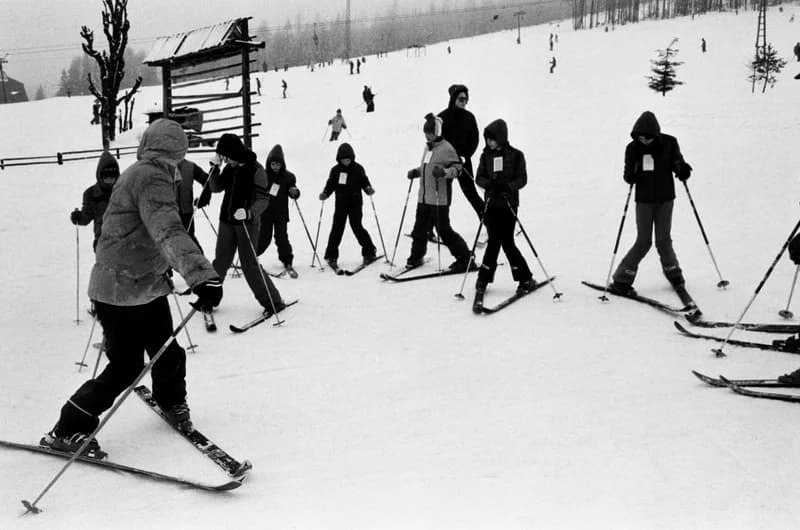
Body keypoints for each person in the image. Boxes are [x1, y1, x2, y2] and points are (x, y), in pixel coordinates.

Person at [41, 119, 223, 456]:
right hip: (119, 290)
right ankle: (67, 427)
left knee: (167, 351)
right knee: (126, 366)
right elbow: (167, 229)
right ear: (175, 150)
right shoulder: (151, 176)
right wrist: (200, 275)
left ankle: (171, 401)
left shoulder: (150, 172)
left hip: (145, 285)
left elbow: (156, 234)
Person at [609, 111, 693, 296]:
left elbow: (678, 162)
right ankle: (621, 280)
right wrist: (633, 173)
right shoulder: (632, 148)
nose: (644, 141)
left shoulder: (669, 143)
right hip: (644, 201)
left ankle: (674, 273)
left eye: (647, 138)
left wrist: (682, 169)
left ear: (655, 135)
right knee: (644, 241)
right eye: (640, 138)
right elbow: (628, 176)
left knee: (663, 240)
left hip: (665, 199)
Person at [207, 133, 285, 313]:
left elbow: (263, 200)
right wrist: (214, 170)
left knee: (249, 264)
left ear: (234, 153)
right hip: (226, 221)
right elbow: (215, 187)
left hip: (247, 224)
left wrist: (249, 213)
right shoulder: (229, 168)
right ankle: (209, 298)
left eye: (226, 157)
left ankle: (273, 301)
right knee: (220, 262)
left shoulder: (256, 170)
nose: (225, 161)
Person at [474, 119, 536, 301]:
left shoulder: (516, 155)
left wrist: (507, 187)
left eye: (492, 139)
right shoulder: (485, 155)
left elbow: (522, 179)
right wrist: (489, 185)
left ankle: (525, 278)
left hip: (508, 204)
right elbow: (479, 177)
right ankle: (484, 279)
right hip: (492, 204)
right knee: (494, 240)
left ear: (501, 138)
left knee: (506, 241)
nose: (489, 143)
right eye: (487, 139)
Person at [405, 113, 473, 272]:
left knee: (444, 230)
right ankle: (416, 257)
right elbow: (427, 168)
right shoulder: (428, 147)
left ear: (436, 132)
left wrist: (444, 172)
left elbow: (458, 169)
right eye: (425, 134)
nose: (426, 136)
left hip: (439, 198)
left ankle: (465, 258)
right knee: (419, 229)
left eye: (429, 133)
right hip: (424, 197)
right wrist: (416, 172)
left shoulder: (447, 148)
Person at [319, 143, 377, 268]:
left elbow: (364, 182)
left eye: (348, 159)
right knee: (337, 228)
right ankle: (331, 255)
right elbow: (330, 185)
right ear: (339, 159)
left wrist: (368, 189)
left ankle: (369, 252)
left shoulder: (358, 169)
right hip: (341, 204)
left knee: (357, 227)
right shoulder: (335, 170)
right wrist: (325, 193)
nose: (346, 161)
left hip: (355, 203)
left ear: (352, 158)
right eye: (343, 159)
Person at [437, 84, 484, 218]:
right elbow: (437, 141)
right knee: (444, 196)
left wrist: (465, 156)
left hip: (463, 162)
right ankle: (436, 227)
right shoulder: (441, 118)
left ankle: (488, 222)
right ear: (453, 99)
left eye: (466, 99)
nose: (464, 102)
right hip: (445, 164)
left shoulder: (470, 117)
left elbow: (475, 140)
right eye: (461, 99)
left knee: (471, 193)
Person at [256, 144, 300, 277]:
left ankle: (287, 260)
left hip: (281, 213)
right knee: (264, 237)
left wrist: (295, 192)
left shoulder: (288, 177)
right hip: (266, 213)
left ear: (282, 164)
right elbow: (256, 191)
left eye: (278, 164)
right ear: (269, 163)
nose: (275, 167)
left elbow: (293, 190)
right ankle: (251, 255)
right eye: (273, 164)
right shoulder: (263, 175)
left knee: (282, 238)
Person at [70, 151, 119, 251]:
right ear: (100, 175)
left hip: (125, 241)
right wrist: (79, 217)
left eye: (112, 175)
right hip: (102, 242)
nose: (109, 179)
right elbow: (86, 216)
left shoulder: (124, 190)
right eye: (106, 175)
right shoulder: (91, 194)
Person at [176, 158, 211, 252]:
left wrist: (204, 198)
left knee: (190, 241)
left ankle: (201, 265)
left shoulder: (190, 167)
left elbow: (207, 181)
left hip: (186, 212)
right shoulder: (160, 167)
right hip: (167, 214)